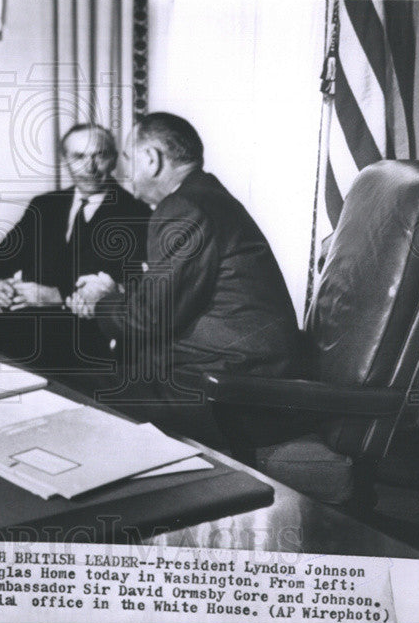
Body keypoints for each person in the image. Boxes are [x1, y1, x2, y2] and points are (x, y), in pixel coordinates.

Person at [68, 112, 306, 450]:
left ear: (151, 159)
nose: (124, 173)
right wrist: (116, 293)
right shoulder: (204, 197)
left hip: (232, 395)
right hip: (234, 380)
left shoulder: (184, 208)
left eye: (127, 160)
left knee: (66, 388)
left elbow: (147, 319)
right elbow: (172, 300)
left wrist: (100, 301)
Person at [0, 123, 150, 371]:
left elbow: (134, 287)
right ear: (64, 160)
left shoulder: (137, 213)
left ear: (113, 160)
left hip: (88, 337)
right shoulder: (45, 206)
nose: (89, 167)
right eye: (78, 156)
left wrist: (56, 296)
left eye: (99, 155)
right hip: (22, 330)